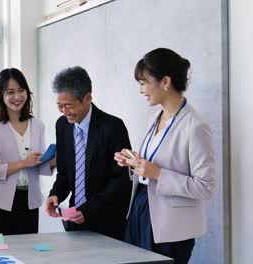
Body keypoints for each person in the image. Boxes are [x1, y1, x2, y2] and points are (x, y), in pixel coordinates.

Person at [114, 48, 216, 263]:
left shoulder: (196, 126)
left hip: (171, 226)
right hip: (141, 209)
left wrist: (158, 173)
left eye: (143, 82)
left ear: (165, 82)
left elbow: (205, 187)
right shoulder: (154, 116)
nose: (141, 90)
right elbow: (154, 163)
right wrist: (134, 160)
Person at [45, 66, 132, 240]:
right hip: (73, 219)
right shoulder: (62, 125)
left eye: (69, 106)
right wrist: (55, 194)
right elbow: (64, 172)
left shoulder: (113, 127)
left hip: (106, 220)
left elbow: (120, 181)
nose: (64, 112)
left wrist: (89, 210)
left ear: (88, 98)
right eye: (60, 106)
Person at [0, 68, 56, 235]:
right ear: (1, 95)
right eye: (10, 92)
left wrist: (53, 161)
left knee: (27, 253)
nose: (17, 97)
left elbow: (37, 165)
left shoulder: (37, 125)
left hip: (29, 201)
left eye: (21, 91)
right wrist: (23, 163)